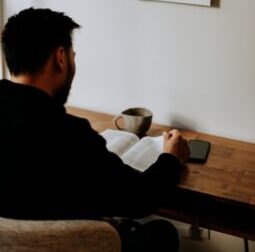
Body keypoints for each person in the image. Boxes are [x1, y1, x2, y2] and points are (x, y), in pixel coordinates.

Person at [0, 8, 190, 252]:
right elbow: (139, 200)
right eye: (72, 55)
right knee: (162, 233)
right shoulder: (69, 135)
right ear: (60, 58)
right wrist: (171, 158)